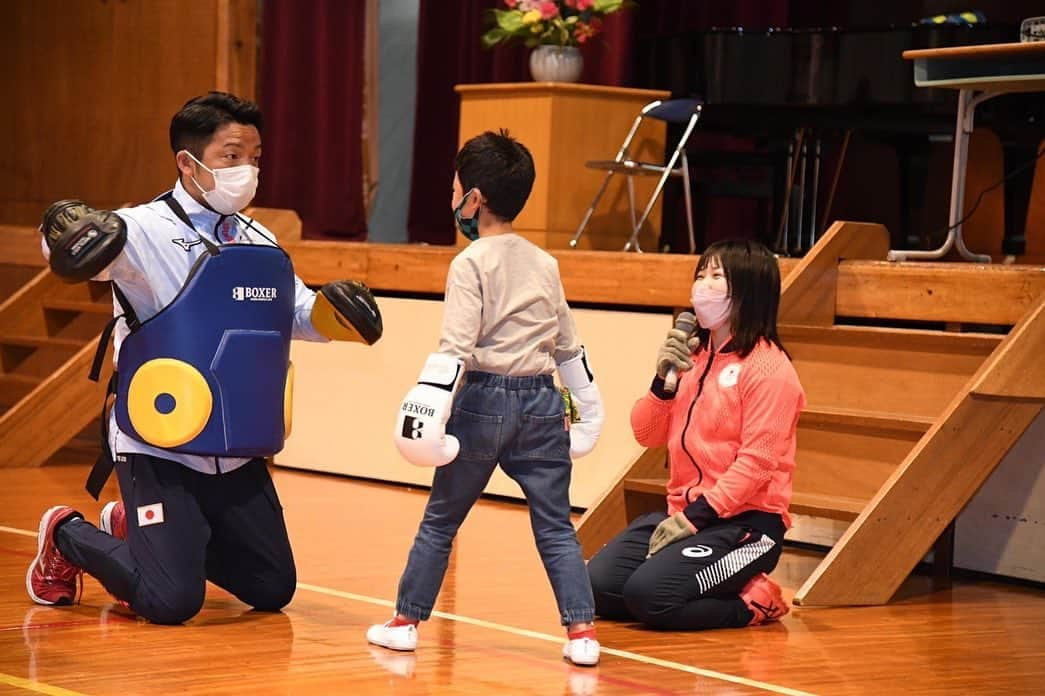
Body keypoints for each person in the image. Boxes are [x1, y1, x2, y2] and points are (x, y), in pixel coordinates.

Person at [26, 91, 384, 625]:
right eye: (232, 155)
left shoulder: (260, 238)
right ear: (187, 162)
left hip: (236, 445)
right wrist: (62, 232)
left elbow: (299, 312)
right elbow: (74, 252)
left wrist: (338, 315)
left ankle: (140, 532)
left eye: (256, 157)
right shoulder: (141, 228)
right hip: (161, 446)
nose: (247, 170)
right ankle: (66, 534)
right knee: (172, 601)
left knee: (271, 586)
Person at [366, 130, 605, 666]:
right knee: (555, 526)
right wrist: (588, 408)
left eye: (455, 188)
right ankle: (583, 632)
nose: (453, 198)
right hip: (542, 402)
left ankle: (405, 622)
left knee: (441, 519)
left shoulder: (470, 263)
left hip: (483, 401)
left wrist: (430, 409)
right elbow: (567, 344)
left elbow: (455, 347)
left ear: (474, 198)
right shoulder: (545, 263)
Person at [586, 239, 805, 631]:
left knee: (651, 598)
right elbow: (646, 433)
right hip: (683, 514)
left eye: (716, 276)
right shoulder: (693, 358)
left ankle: (753, 602)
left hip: (746, 527)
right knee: (595, 587)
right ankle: (692, 578)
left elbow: (755, 466)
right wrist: (662, 381)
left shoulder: (771, 369)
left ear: (748, 288)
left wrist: (693, 519)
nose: (703, 285)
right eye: (700, 274)